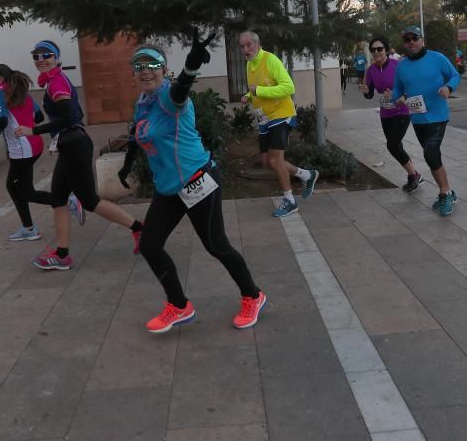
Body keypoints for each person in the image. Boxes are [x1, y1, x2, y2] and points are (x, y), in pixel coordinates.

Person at [118, 34, 266, 333]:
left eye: (153, 64)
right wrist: (127, 163)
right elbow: (139, 133)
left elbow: (180, 92)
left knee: (216, 245)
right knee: (149, 244)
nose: (145, 70)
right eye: (139, 65)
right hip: (168, 188)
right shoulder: (143, 102)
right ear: (133, 72)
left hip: (197, 180)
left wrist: (191, 66)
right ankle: (180, 305)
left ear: (163, 69)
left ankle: (253, 295)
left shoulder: (168, 96)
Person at [16, 40, 143, 270]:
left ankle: (138, 229)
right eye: (36, 56)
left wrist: (33, 130)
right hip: (69, 144)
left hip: (74, 145)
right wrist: (58, 138)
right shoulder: (54, 81)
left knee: (90, 201)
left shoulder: (57, 83)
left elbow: (68, 118)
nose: (41, 59)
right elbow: (76, 113)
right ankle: (62, 254)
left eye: (46, 55)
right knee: (57, 199)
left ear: (56, 57)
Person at [238, 30, 319, 218]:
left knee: (275, 159)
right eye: (242, 46)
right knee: (267, 162)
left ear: (257, 44)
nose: (245, 49)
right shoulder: (249, 65)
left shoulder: (270, 60)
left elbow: (289, 87)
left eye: (248, 45)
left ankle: (290, 201)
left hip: (281, 115)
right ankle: (306, 175)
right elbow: (257, 89)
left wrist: (258, 91)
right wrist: (248, 96)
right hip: (264, 119)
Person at [390, 25, 461, 217]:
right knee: (432, 156)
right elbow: (398, 89)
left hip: (438, 115)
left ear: (422, 39)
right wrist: (394, 97)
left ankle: (444, 193)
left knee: (430, 153)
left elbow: (455, 75)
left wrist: (448, 88)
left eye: (415, 38)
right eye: (407, 39)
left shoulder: (437, 58)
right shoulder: (402, 65)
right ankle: (449, 191)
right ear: (404, 43)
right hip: (418, 118)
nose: (411, 42)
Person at [0, 64, 52, 241]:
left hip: (22, 150)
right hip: (34, 145)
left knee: (25, 191)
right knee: (16, 187)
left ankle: (65, 200)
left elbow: (1, 122)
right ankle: (28, 227)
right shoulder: (20, 91)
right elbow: (39, 117)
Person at [359, 35, 423, 193]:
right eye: (373, 50)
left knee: (392, 144)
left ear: (386, 50)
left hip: (402, 110)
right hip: (385, 113)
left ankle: (413, 174)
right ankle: (415, 174)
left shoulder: (397, 66)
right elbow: (370, 94)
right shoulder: (371, 70)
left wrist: (399, 95)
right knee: (395, 144)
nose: (376, 52)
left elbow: (411, 86)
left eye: (379, 49)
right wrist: (366, 91)